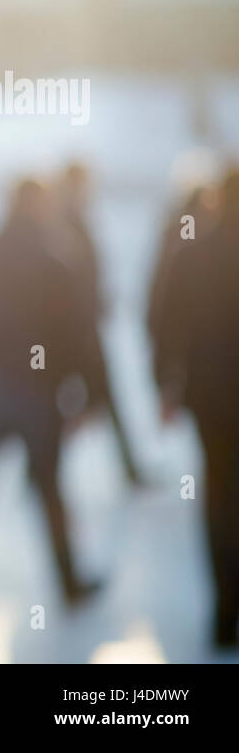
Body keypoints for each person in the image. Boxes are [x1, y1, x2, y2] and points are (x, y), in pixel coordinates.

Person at [0, 179, 101, 625]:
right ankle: (69, 583)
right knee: (49, 492)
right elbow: (78, 335)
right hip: (34, 395)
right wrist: (84, 392)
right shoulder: (55, 262)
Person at [152, 168, 239, 649]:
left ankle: (225, 610)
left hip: (210, 395)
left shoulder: (192, 252)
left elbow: (164, 323)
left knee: (220, 495)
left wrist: (165, 388)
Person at [53, 162, 144, 486]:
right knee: (81, 399)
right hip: (75, 329)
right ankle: (45, 470)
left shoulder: (74, 215)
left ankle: (129, 468)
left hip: (83, 324)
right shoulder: (64, 217)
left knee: (97, 397)